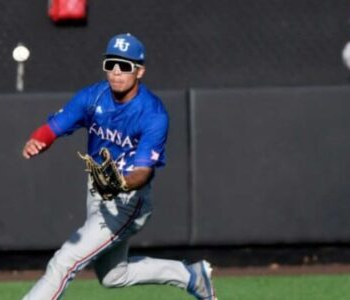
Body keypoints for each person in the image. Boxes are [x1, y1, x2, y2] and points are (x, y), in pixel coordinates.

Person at [21, 33, 217, 300]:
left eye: (124, 66)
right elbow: (56, 126)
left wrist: (120, 184)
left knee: (65, 260)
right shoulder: (94, 96)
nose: (116, 72)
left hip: (128, 200)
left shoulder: (152, 114)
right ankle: (191, 277)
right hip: (98, 190)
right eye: (110, 64)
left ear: (140, 71)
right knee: (114, 276)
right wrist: (39, 140)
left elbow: (143, 172)